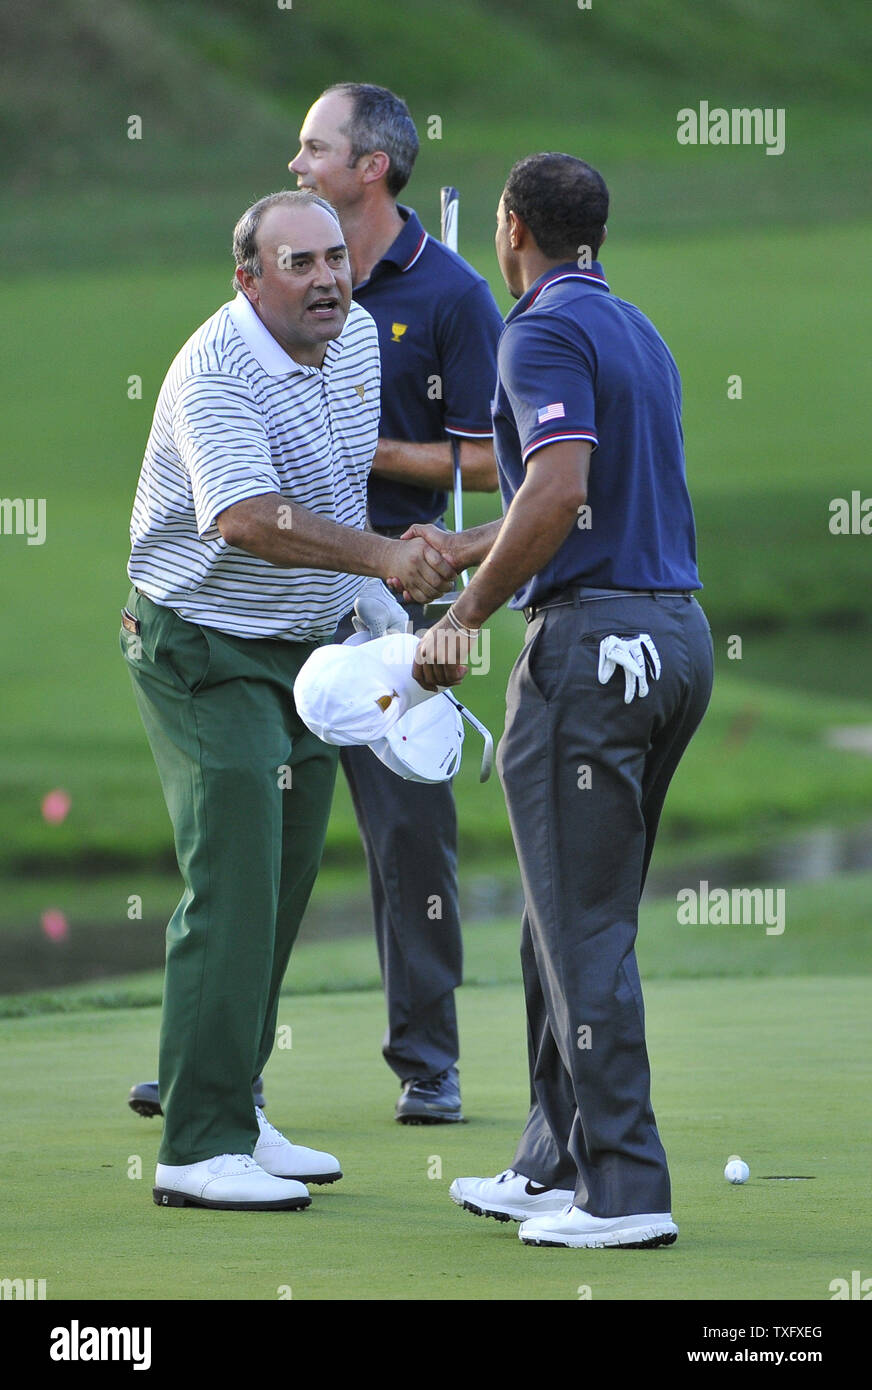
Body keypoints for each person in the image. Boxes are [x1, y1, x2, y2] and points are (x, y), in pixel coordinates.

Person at [121, 189, 455, 1210]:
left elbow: (338, 493)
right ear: (248, 279)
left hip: (307, 650)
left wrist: (378, 619)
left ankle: (236, 1102)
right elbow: (247, 519)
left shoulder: (355, 340)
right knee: (234, 875)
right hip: (200, 645)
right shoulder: (217, 370)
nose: (325, 278)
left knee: (287, 874)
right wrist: (389, 559)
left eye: (333, 259)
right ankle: (194, 1143)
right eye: (298, 263)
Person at [410, 153, 714, 1247]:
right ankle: (551, 1158)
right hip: (672, 639)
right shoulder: (637, 330)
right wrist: (461, 546)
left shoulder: (533, 330)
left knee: (578, 926)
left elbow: (557, 491)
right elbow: (571, 501)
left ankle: (624, 1189)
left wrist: (462, 615)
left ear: (509, 227)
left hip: (591, 650)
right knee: (561, 909)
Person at [288, 83, 504, 1123]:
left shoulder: (455, 295)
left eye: (313, 149)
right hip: (286, 584)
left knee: (409, 834)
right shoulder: (291, 275)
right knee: (253, 830)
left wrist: (364, 447)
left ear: (368, 167)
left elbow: (497, 465)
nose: (297, 166)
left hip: (400, 593)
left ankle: (427, 1061)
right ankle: (212, 1057)